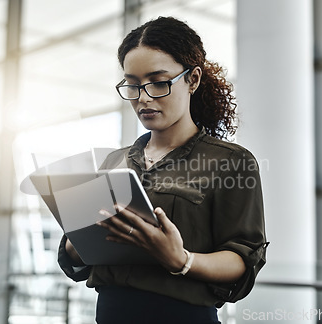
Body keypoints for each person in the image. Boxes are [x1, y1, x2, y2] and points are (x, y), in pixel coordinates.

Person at [58, 16, 268, 324]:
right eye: (132, 85)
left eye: (158, 83)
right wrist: (78, 241)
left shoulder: (231, 161)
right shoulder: (115, 162)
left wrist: (181, 260)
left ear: (192, 79)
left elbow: (242, 258)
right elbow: (80, 258)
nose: (143, 98)